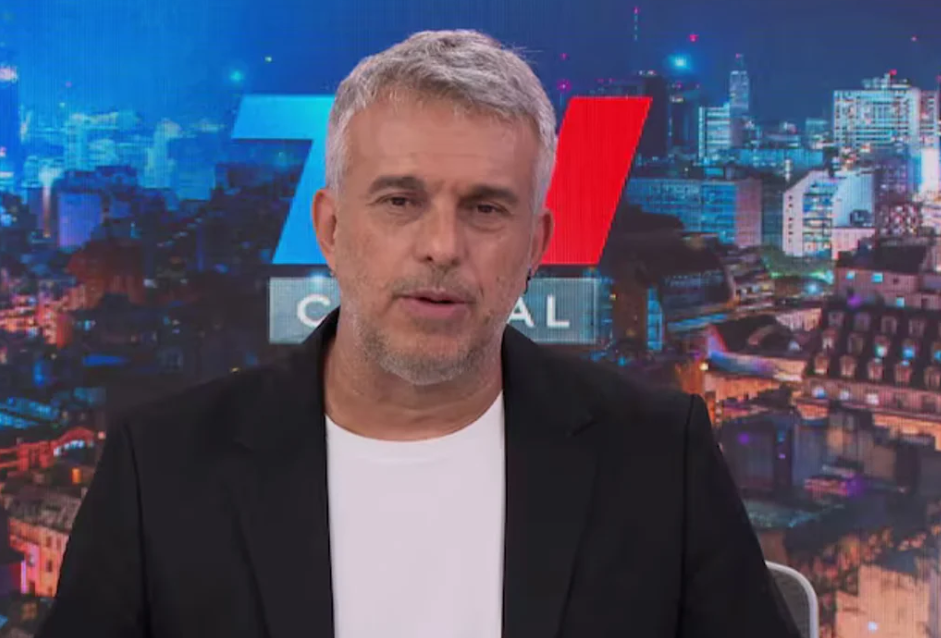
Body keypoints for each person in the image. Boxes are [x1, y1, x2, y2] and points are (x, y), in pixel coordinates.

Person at [39, 29, 801, 638]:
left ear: (536, 247)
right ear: (331, 229)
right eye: (401, 201)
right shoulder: (160, 470)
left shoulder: (659, 459)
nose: (442, 246)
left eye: (486, 208)